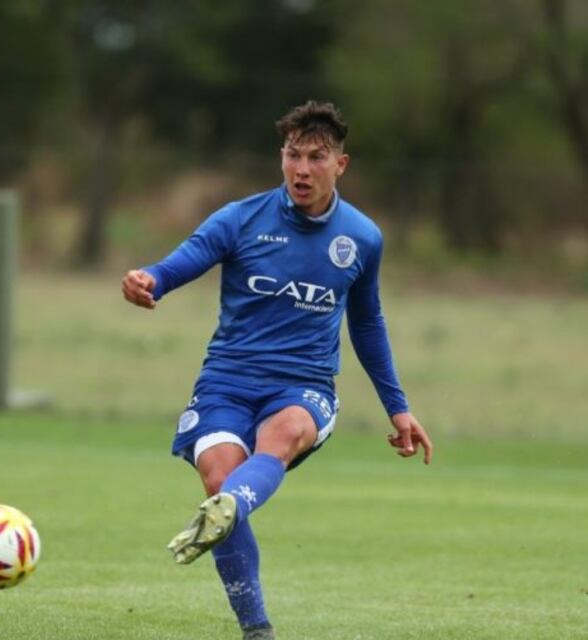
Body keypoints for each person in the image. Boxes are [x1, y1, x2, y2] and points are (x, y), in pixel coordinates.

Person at [121, 100, 433, 640]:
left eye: (316, 157)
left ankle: (227, 509)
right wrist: (148, 280)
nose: (302, 169)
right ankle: (257, 628)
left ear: (341, 165)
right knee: (220, 474)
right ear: (280, 158)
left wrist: (398, 407)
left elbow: (367, 324)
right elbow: (181, 262)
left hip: (304, 386)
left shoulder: (361, 238)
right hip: (226, 381)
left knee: (283, 434)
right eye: (293, 155)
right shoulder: (240, 219)